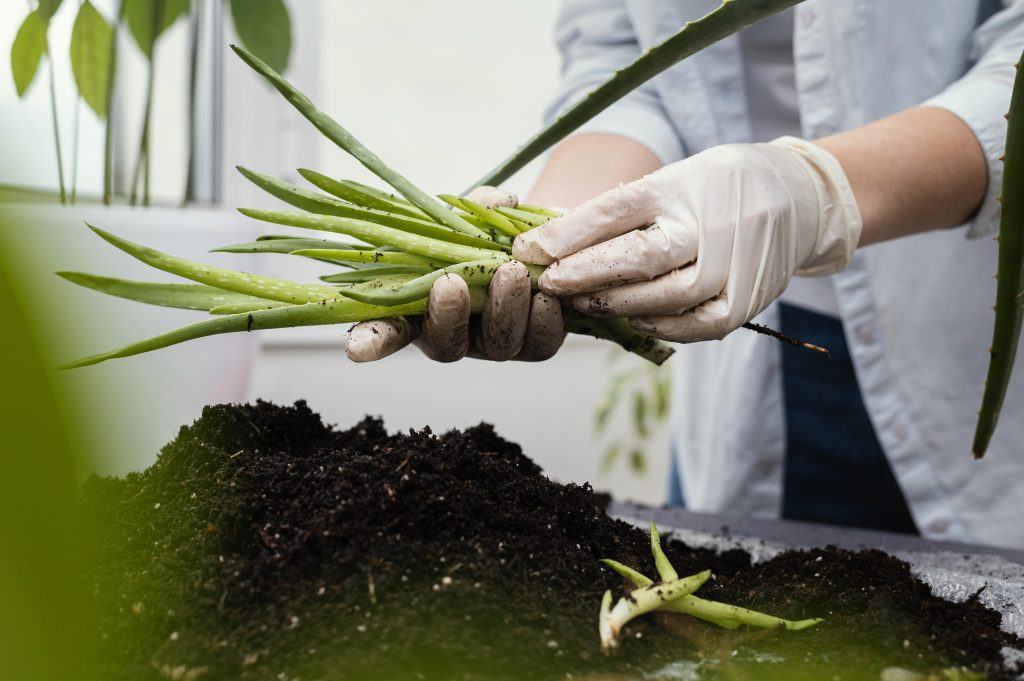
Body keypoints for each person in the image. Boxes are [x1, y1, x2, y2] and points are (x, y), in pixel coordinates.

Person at [346, 1, 1024, 548]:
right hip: (740, 364)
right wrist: (560, 226)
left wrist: (820, 190)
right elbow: (620, 63)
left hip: (969, 340)